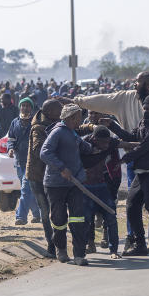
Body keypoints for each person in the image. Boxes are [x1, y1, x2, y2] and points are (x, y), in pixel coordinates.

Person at [73, 71, 149, 251]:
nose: (134, 84)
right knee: (132, 203)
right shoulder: (125, 99)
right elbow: (101, 100)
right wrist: (77, 101)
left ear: (148, 86)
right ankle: (133, 238)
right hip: (135, 160)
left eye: (138, 82)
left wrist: (125, 158)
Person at [102, 89, 149, 256]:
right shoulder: (144, 122)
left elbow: (145, 143)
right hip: (141, 168)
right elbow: (131, 137)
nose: (146, 111)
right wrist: (112, 125)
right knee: (131, 205)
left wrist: (126, 158)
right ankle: (140, 244)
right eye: (145, 108)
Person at [40, 104, 94, 265]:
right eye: (78, 117)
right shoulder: (58, 132)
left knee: (78, 218)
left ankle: (79, 254)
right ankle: (61, 249)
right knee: (59, 218)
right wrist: (62, 168)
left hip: (75, 183)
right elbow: (44, 153)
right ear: (71, 118)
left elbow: (84, 148)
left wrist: (95, 146)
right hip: (55, 184)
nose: (80, 120)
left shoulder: (72, 132)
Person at [26, 100, 63, 257]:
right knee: (46, 210)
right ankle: (51, 243)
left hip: (51, 174)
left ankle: (58, 242)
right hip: (38, 175)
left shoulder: (55, 123)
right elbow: (38, 150)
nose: (61, 111)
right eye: (58, 110)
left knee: (55, 210)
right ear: (49, 112)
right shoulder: (39, 128)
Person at [79, 126, 122, 259]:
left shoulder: (110, 144)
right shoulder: (83, 144)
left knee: (111, 216)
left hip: (102, 185)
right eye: (102, 142)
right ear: (94, 139)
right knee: (87, 219)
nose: (105, 145)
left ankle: (114, 249)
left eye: (107, 142)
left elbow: (126, 144)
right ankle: (89, 244)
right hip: (86, 187)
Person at [7, 97, 41, 225]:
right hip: (19, 161)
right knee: (28, 189)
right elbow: (11, 139)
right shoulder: (14, 122)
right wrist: (10, 149)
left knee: (25, 189)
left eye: (28, 106)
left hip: (32, 161)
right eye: (23, 105)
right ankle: (37, 214)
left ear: (31, 108)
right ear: (20, 107)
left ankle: (20, 216)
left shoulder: (35, 122)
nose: (25, 108)